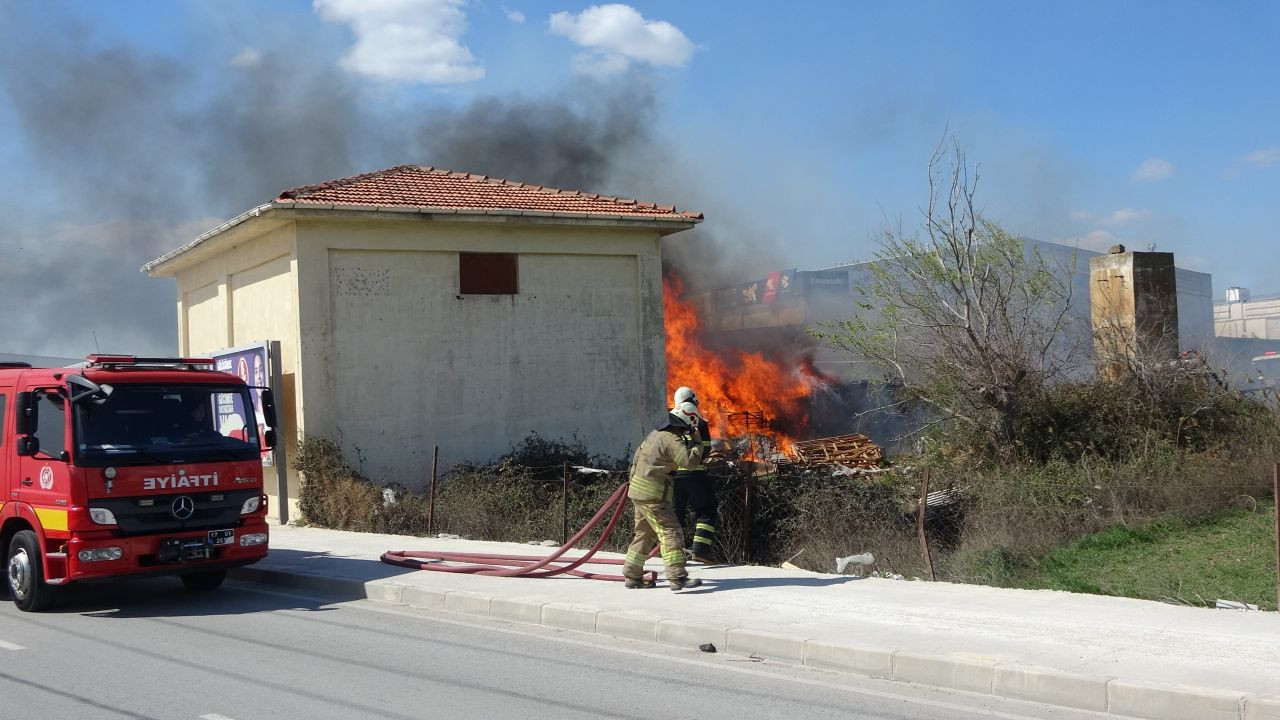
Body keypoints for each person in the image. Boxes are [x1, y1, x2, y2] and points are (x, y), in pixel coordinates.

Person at [622, 401, 707, 591]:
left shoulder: (655, 435)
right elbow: (688, 462)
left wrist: (635, 486)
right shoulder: (673, 439)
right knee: (671, 531)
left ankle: (632, 575)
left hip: (638, 492)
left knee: (644, 533)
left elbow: (636, 460)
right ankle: (677, 577)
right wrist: (697, 444)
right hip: (653, 495)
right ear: (689, 422)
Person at [670, 386, 718, 564]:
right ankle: (700, 550)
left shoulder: (669, 422)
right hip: (694, 473)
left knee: (676, 515)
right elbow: (705, 448)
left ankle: (673, 554)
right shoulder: (700, 422)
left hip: (674, 476)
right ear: (692, 401)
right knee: (706, 510)